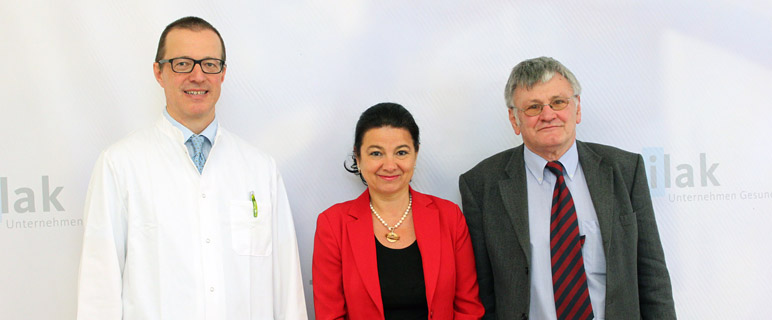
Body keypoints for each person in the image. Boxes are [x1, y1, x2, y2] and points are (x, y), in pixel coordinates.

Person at [76, 16, 307, 319]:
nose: (198, 76)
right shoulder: (119, 164)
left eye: (210, 64)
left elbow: (286, 285)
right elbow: (99, 286)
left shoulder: (260, 168)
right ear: (159, 72)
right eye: (182, 63)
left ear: (223, 74)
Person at [459, 57, 676, 320]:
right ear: (514, 120)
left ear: (577, 108)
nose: (548, 115)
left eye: (558, 102)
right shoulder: (481, 184)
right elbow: (483, 295)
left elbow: (652, 277)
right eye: (533, 107)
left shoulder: (625, 170)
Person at [312, 103, 484, 319]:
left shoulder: (449, 217)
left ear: (416, 153)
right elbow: (330, 314)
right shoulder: (333, 224)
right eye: (376, 153)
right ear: (358, 156)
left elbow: (468, 309)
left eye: (401, 152)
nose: (390, 165)